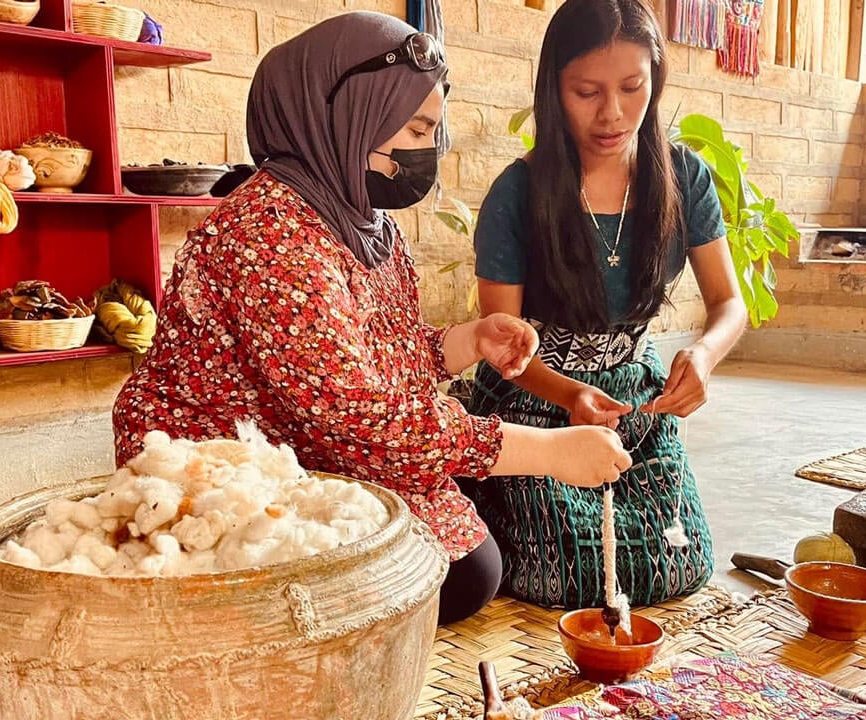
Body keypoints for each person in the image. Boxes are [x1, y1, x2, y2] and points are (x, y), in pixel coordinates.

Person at [111, 11, 633, 625]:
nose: (424, 153)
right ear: (348, 113)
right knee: (458, 571)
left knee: (465, 554)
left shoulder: (360, 219)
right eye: (412, 130)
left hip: (309, 433)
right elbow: (357, 413)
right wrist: (548, 452)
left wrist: (467, 342)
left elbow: (371, 349)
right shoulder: (269, 234)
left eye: (429, 133)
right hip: (223, 473)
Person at [463, 0, 748, 610]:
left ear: (656, 80)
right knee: (562, 580)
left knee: (674, 564)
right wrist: (569, 394)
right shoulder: (517, 194)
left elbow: (729, 303)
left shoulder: (684, 179)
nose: (612, 113)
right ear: (553, 89)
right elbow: (502, 351)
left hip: (635, 398)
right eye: (587, 91)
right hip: (535, 396)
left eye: (632, 87)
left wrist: (702, 355)